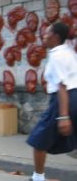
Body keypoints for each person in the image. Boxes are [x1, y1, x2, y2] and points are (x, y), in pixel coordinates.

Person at [27, 22, 77, 181]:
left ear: (55, 36)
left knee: (39, 139)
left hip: (63, 100)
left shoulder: (57, 55)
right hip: (73, 97)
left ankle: (38, 178)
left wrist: (63, 116)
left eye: (47, 33)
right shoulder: (68, 52)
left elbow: (62, 86)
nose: (44, 36)